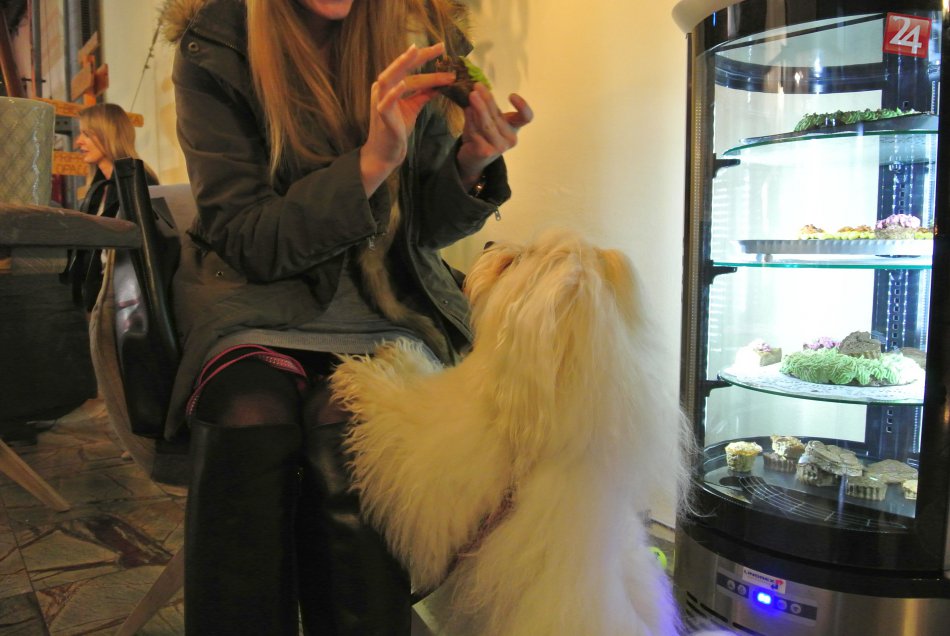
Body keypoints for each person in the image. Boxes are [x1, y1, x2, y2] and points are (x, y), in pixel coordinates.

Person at [161, 0, 533, 634]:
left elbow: (424, 232)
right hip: (256, 303)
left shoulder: (419, 37)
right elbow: (248, 240)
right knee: (248, 417)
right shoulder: (214, 47)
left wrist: (470, 162)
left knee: (352, 431)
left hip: (391, 308)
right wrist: (370, 162)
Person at [61, 102, 159, 311]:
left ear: (108, 135)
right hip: (104, 293)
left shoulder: (138, 182)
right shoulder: (99, 187)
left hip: (129, 299)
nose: (78, 142)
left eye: (86, 134)